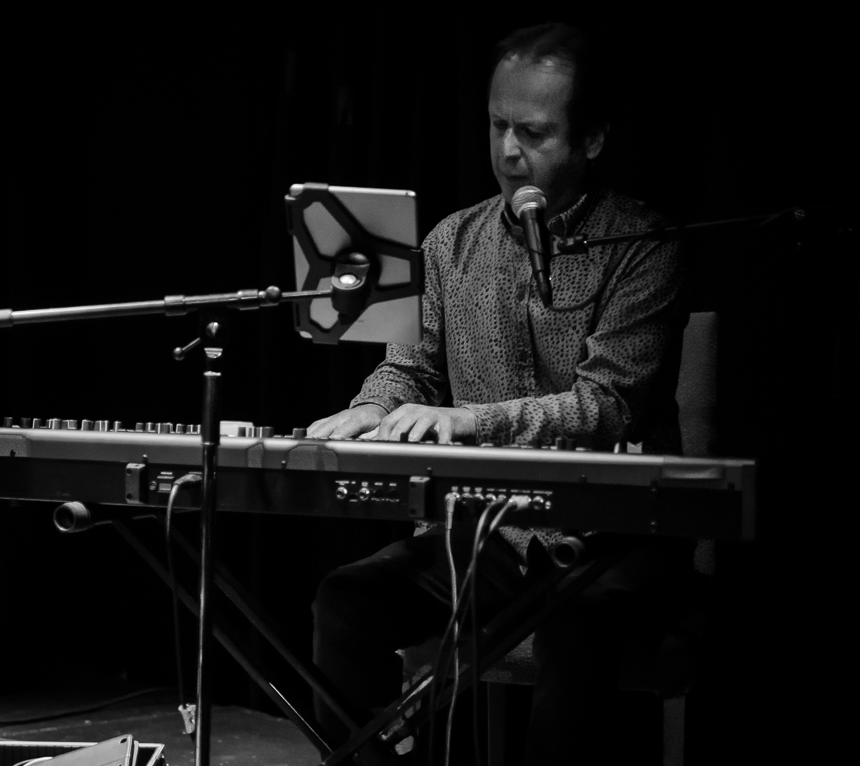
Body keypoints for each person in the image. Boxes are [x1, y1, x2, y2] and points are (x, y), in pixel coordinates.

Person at [308, 23, 692, 764]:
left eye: (534, 132)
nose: (509, 151)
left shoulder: (642, 244)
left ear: (591, 140)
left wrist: (468, 421)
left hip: (610, 540)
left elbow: (606, 406)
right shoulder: (449, 242)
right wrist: (371, 407)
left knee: (577, 627)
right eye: (497, 126)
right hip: (484, 538)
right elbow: (409, 370)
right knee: (346, 600)